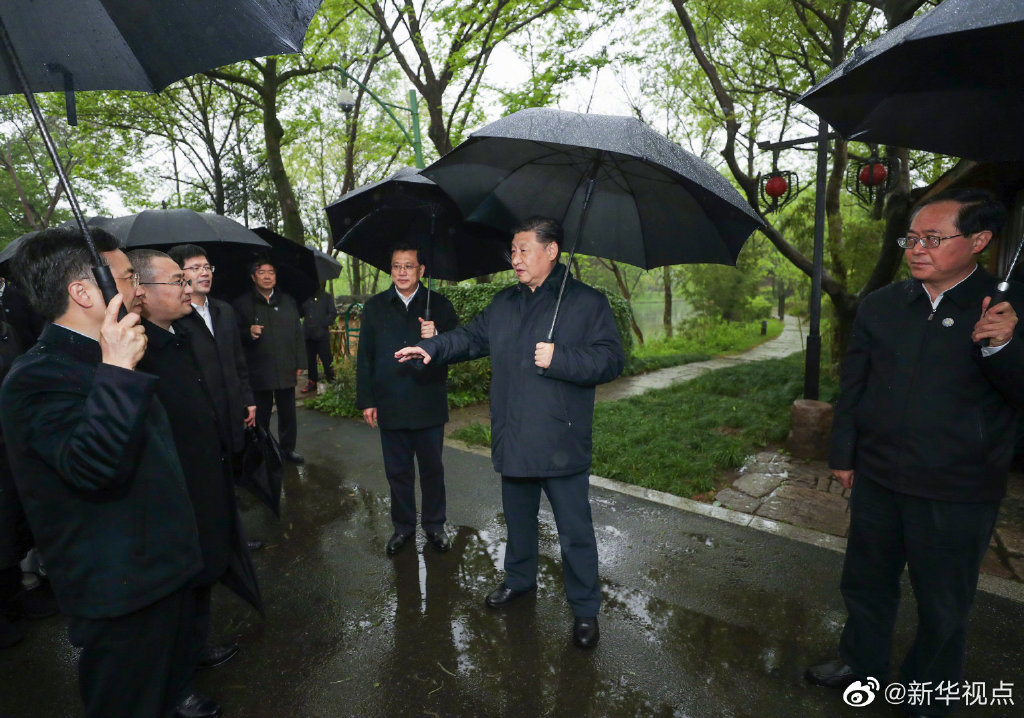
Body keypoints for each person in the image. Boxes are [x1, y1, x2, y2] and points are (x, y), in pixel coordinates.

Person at [805, 189, 1024, 718]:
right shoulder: (883, 304)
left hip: (959, 485)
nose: (916, 249)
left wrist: (1003, 347)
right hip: (879, 475)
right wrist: (844, 453)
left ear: (978, 241)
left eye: (932, 238)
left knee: (944, 600)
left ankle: (929, 689)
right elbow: (855, 384)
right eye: (911, 239)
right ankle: (861, 664)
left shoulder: (1008, 306)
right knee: (865, 582)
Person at [0, 227, 203, 718]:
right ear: (84, 292)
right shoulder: (36, 377)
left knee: (168, 692)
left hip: (166, 570)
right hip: (120, 591)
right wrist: (117, 372)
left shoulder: (115, 354)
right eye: (127, 277)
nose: (138, 289)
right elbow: (91, 468)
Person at [395, 217, 624, 649]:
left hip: (561, 440)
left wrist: (561, 358)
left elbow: (612, 360)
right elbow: (469, 339)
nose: (515, 259)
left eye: (524, 250)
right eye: (513, 251)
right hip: (514, 434)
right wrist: (431, 347)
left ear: (551, 251)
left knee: (574, 532)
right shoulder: (503, 303)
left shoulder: (586, 302)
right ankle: (519, 580)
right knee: (518, 522)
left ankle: (585, 609)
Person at [130, 249, 263, 718]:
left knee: (205, 566)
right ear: (141, 294)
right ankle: (176, 684)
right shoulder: (137, 352)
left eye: (187, 279)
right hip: (175, 486)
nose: (187, 287)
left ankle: (197, 647)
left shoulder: (179, 336)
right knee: (179, 584)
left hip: (207, 470)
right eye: (176, 281)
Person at [356, 244, 459, 556]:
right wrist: (367, 400)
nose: (402, 272)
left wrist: (437, 335)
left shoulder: (439, 305)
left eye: (409, 266)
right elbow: (365, 356)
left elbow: (458, 348)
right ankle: (403, 528)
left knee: (432, 471)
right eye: (396, 266)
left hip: (428, 402)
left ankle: (435, 525)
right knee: (397, 472)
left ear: (421, 270)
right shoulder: (375, 307)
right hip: (390, 401)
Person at [168, 245, 263, 552]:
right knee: (205, 481)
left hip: (231, 410)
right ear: (179, 275)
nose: (204, 273)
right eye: (195, 267)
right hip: (200, 418)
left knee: (231, 475)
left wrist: (247, 398)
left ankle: (234, 537)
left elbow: (238, 360)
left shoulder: (224, 311)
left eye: (207, 267)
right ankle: (210, 541)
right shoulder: (175, 319)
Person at [232, 258, 306, 464]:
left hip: (285, 364)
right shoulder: (241, 304)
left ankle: (287, 450)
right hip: (258, 368)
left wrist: (301, 361)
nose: (267, 276)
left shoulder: (288, 301)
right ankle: (263, 452)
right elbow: (232, 335)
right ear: (253, 277)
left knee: (288, 413)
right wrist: (247, 332)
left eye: (271, 272)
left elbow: (297, 333)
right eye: (261, 272)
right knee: (261, 414)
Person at [300, 285, 338, 394]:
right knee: (310, 361)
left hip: (322, 335)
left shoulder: (326, 297)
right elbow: (300, 313)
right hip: (308, 335)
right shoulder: (305, 297)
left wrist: (323, 323)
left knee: (327, 360)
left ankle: (331, 381)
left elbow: (333, 313)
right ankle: (312, 381)